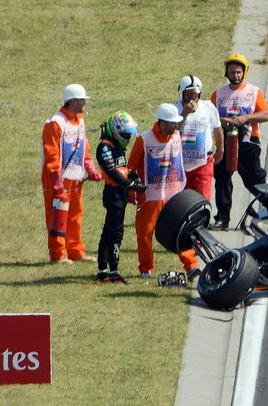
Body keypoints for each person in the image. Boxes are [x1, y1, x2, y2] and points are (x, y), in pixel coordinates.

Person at [127, 103, 200, 281]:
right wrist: (131, 190)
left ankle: (191, 265)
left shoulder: (176, 136)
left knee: (181, 230)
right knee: (144, 233)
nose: (177, 126)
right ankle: (146, 267)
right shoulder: (143, 139)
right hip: (149, 196)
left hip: (173, 195)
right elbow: (131, 166)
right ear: (161, 122)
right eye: (172, 123)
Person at [41, 84, 103, 264]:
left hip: (75, 177)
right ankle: (58, 253)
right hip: (57, 178)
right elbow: (52, 153)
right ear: (73, 101)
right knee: (57, 216)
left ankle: (75, 251)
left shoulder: (80, 121)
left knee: (75, 215)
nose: (85, 103)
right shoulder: (55, 123)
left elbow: (84, 147)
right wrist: (56, 181)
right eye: (83, 100)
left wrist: (90, 167)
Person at [211, 53, 268, 229]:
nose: (235, 75)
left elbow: (266, 114)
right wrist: (223, 121)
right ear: (226, 73)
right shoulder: (218, 94)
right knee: (222, 180)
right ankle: (222, 218)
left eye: (238, 72)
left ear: (244, 72)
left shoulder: (254, 92)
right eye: (232, 72)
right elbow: (209, 117)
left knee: (254, 179)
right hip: (225, 143)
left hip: (248, 143)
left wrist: (245, 118)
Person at [94, 110, 145, 284]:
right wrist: (130, 184)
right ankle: (106, 270)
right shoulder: (105, 147)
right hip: (113, 194)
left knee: (115, 231)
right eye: (125, 133)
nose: (127, 137)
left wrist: (133, 176)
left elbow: (122, 168)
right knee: (112, 232)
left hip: (120, 193)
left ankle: (111, 269)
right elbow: (111, 171)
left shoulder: (117, 146)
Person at [174, 75, 223, 201]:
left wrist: (220, 149)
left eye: (195, 94)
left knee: (202, 199)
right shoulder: (174, 110)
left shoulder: (208, 107)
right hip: (180, 164)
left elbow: (217, 129)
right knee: (181, 201)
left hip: (203, 163)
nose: (192, 98)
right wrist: (184, 113)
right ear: (182, 94)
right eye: (188, 95)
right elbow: (171, 131)